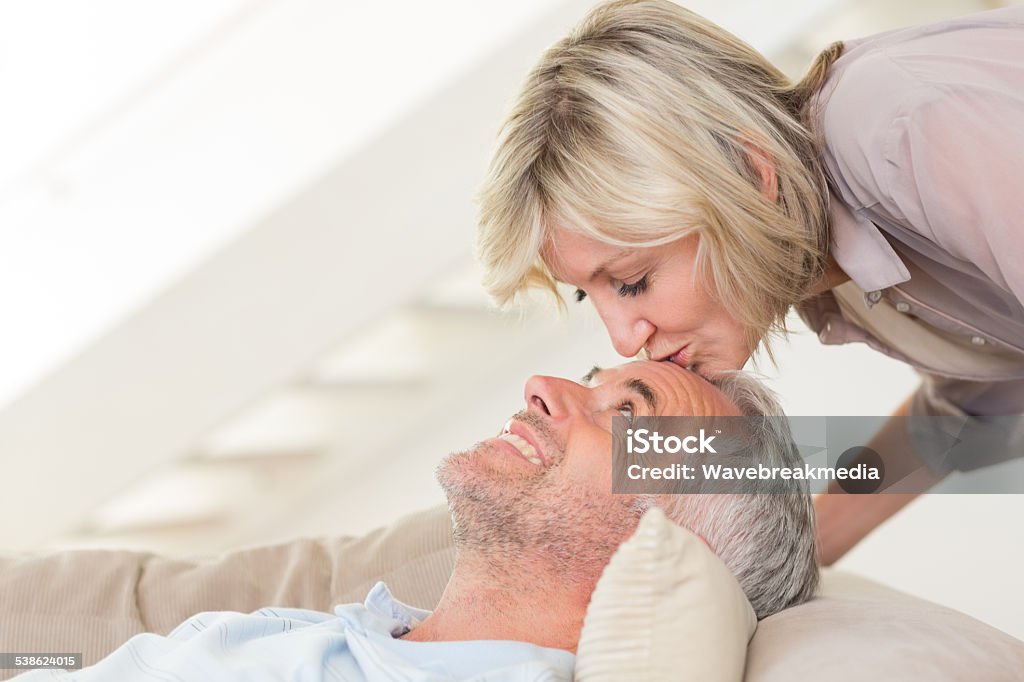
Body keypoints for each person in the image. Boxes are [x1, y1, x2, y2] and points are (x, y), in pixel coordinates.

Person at [475, 0, 1024, 565]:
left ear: (750, 175)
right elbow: (970, 412)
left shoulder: (902, 128)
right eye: (587, 294)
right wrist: (780, 562)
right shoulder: (826, 270)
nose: (623, 340)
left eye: (633, 280)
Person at [16, 361, 817, 680]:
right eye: (589, 380)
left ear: (672, 541)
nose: (542, 387)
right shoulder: (342, 635)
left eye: (622, 412)